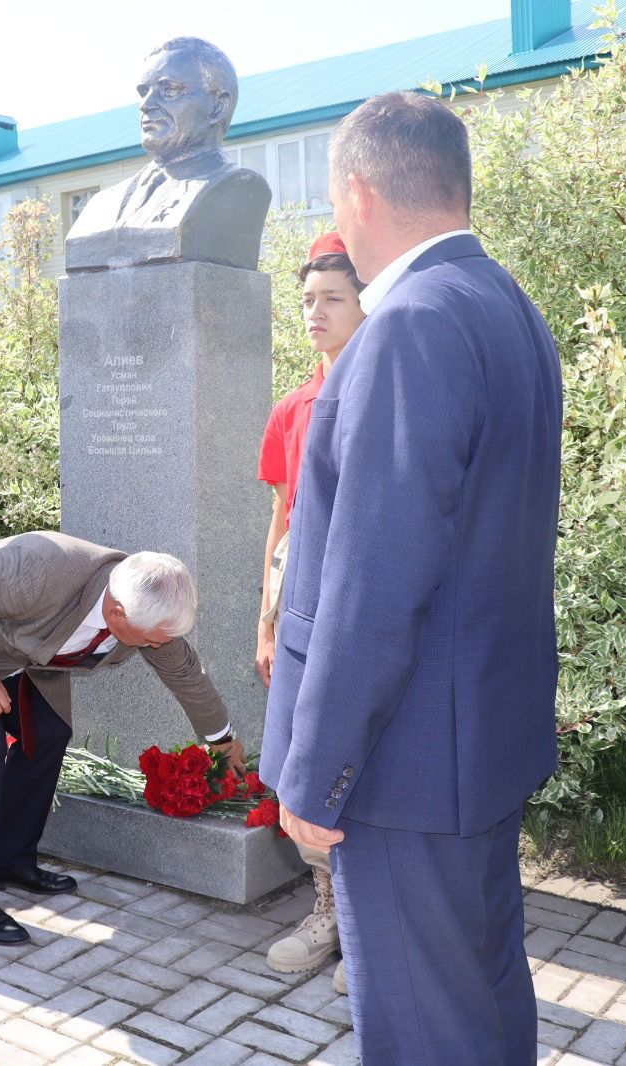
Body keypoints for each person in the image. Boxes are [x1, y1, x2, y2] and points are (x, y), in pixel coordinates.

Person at [262, 91, 562, 1066]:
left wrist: (318, 769)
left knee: (425, 1034)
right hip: (478, 744)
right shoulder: (509, 308)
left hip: (409, 767)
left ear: (357, 191)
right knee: (482, 999)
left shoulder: (408, 325)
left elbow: (376, 577)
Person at [0, 532, 244, 945]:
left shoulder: (144, 611)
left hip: (5, 652)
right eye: (154, 638)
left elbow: (186, 674)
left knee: (48, 732)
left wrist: (223, 742)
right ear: (118, 612)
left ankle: (9, 858)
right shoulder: (40, 568)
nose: (160, 645)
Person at [254, 233, 365, 977]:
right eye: (306, 301)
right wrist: (264, 618)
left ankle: (371, 923)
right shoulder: (293, 408)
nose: (314, 313)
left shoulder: (381, 393)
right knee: (303, 760)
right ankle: (326, 908)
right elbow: (280, 521)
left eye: (331, 299)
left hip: (365, 605)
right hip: (302, 606)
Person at [65, 37, 270, 272]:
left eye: (169, 90)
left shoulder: (239, 189)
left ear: (218, 106)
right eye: (143, 92)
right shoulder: (102, 205)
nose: (146, 104)